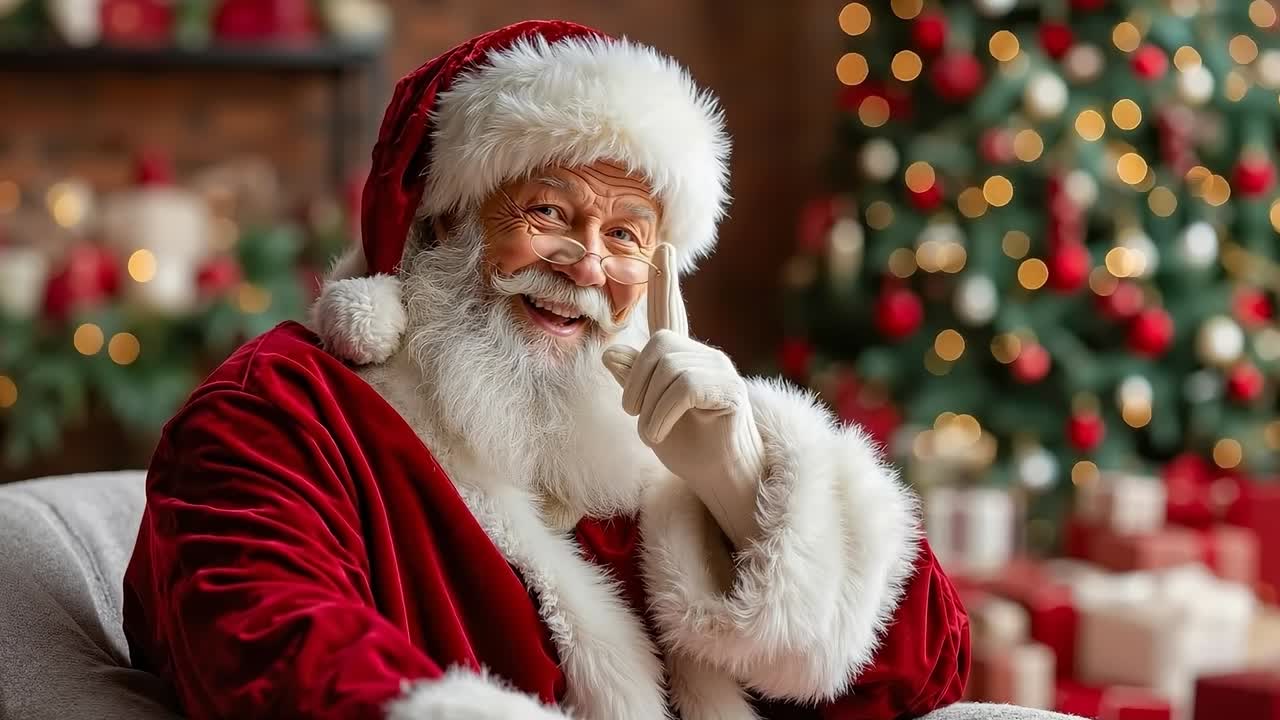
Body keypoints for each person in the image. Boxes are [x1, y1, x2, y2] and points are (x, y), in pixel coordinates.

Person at [123, 19, 969, 720]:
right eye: (549, 212)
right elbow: (271, 653)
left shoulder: (656, 446)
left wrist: (745, 486)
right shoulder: (281, 411)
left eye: (627, 234)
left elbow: (924, 679)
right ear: (438, 225)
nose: (589, 266)